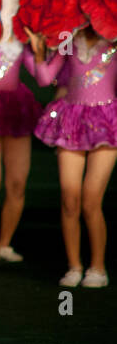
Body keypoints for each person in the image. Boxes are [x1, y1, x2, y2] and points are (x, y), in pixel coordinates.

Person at [29, 26, 115, 288]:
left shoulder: (113, 39)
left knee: (91, 200)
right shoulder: (68, 38)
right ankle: (74, 266)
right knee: (69, 198)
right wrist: (39, 51)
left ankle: (98, 268)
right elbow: (45, 78)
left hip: (106, 121)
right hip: (71, 120)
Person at [0, 36, 42, 263]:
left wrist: (38, 50)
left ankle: (5, 243)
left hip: (17, 109)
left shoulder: (23, 34)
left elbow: (41, 76)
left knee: (17, 183)